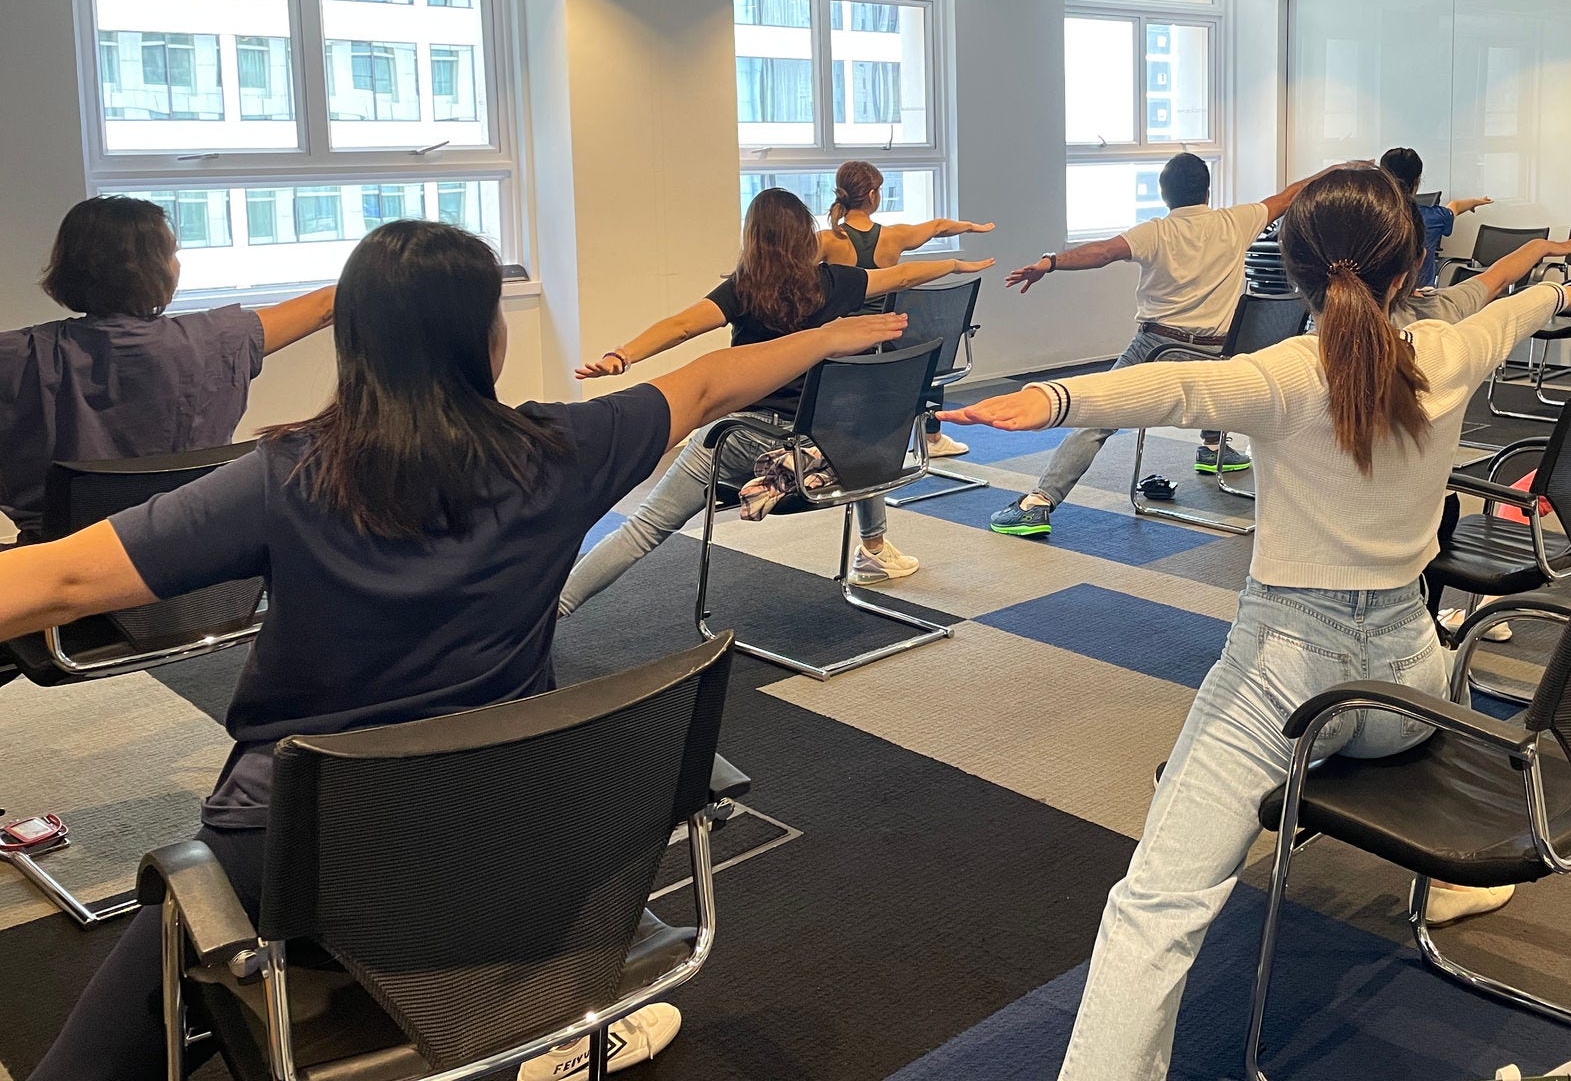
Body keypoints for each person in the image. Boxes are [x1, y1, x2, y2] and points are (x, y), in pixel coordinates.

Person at [8, 218, 908, 1081]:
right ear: (490, 340)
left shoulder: (284, 478)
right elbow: (708, 385)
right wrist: (825, 336)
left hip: (295, 860)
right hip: (503, 837)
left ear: (354, 343)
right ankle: (549, 1016)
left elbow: (62, 581)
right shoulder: (561, 451)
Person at [941, 165, 1571, 1080]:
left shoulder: (1287, 373)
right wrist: (1561, 292)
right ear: (1409, 271)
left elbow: (1176, 390)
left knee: (1156, 907)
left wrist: (1055, 400)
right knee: (1439, 652)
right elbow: (1507, 312)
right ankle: (1452, 879)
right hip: (1410, 695)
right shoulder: (1447, 354)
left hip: (1286, 689)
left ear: (1291, 272)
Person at [559, 188, 994, 608]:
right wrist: (955, 264)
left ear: (753, 238)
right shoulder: (833, 282)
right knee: (857, 424)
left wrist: (623, 356)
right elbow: (902, 276)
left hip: (743, 440)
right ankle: (874, 548)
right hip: (822, 447)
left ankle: (556, 606)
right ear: (805, 235)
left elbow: (682, 326)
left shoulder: (743, 289)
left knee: (644, 527)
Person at [987, 154, 1332, 539]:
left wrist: (1050, 263)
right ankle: (1212, 445)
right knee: (1213, 368)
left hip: (1159, 348)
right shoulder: (1236, 221)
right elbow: (1290, 195)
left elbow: (1102, 252)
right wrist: (1339, 170)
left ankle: (1038, 503)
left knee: (1094, 412)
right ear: (1207, 190)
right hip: (1222, 353)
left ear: (1164, 194)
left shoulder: (1156, 232)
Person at [0, 197, 335, 542]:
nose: (177, 264)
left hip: (58, 564)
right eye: (172, 253)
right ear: (153, 268)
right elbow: (327, 305)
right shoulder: (220, 339)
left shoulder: (18, 356)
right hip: (195, 561)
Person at [816, 159, 996, 459]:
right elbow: (938, 226)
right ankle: (933, 437)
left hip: (844, 343)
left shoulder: (826, 240)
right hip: (889, 338)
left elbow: (792, 271)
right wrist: (973, 227)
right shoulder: (893, 236)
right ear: (873, 195)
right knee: (931, 347)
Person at [1377, 146, 1490, 289]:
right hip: (1422, 295)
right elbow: (1455, 206)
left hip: (1374, 295)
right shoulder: (1431, 218)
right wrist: (1475, 202)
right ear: (1417, 181)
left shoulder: (1369, 216)